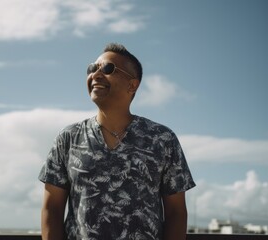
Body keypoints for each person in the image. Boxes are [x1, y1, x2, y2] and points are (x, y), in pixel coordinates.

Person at [39, 43, 196, 240]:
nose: (95, 75)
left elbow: (176, 213)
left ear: (132, 84)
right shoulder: (68, 138)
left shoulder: (162, 139)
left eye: (107, 68)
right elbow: (51, 209)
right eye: (92, 69)